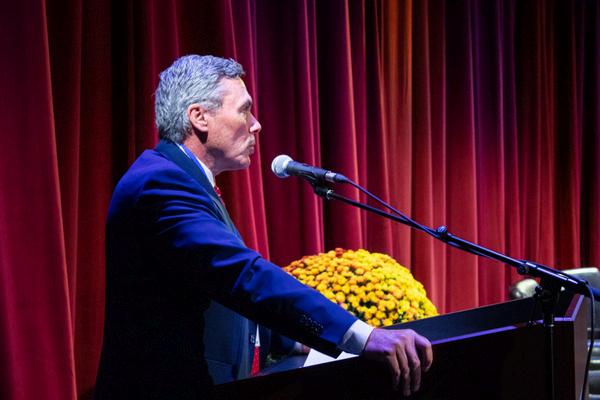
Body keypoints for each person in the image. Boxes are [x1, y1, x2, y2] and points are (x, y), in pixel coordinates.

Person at [94, 55, 433, 399]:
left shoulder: (184, 181)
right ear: (199, 117)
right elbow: (241, 275)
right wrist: (362, 335)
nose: (256, 125)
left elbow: (219, 303)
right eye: (244, 110)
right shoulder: (160, 184)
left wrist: (293, 340)